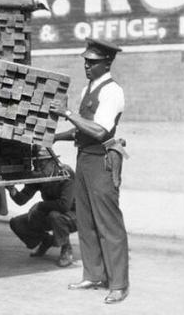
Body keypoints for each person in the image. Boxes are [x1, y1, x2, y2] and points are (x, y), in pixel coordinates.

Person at [50, 38, 129, 304]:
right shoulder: (88, 89)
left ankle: (118, 284)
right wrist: (55, 137)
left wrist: (69, 112)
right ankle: (94, 274)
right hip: (84, 159)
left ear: (107, 62)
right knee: (86, 222)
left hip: (102, 162)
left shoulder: (112, 91)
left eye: (93, 62)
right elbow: (81, 128)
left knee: (109, 223)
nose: (87, 65)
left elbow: (99, 130)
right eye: (85, 61)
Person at [7, 147, 76, 267]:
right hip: (51, 213)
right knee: (17, 222)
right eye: (35, 164)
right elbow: (22, 199)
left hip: (74, 215)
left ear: (52, 162)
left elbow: (64, 205)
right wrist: (11, 189)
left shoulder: (65, 173)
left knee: (55, 216)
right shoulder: (40, 176)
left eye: (41, 164)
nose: (38, 167)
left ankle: (66, 249)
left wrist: (40, 206)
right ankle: (46, 241)